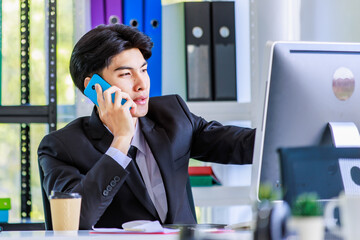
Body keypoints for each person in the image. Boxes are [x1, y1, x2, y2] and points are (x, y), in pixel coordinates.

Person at [38, 24, 255, 230]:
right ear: (94, 87)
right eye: (126, 74)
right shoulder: (62, 147)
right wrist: (121, 140)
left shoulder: (172, 116)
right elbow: (74, 221)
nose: (141, 84)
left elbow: (243, 145)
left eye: (143, 70)